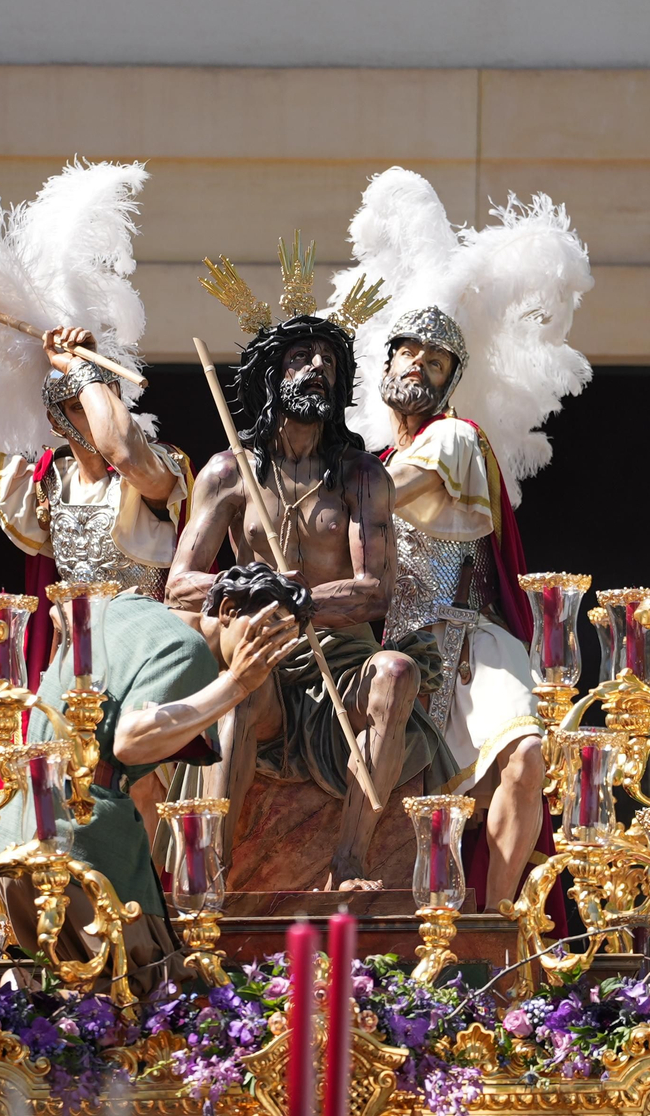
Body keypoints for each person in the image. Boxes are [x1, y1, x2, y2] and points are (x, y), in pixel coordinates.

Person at [168, 276, 452, 891]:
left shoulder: (359, 478)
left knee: (398, 672)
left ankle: (350, 859)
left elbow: (374, 590)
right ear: (272, 375)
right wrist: (238, 586)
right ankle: (215, 863)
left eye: (329, 360)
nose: (317, 367)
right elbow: (179, 585)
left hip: (342, 660)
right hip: (262, 655)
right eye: (301, 357)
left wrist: (302, 600)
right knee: (245, 682)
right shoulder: (227, 474)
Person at [0, 569, 303, 984]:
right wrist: (237, 683)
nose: (268, 651)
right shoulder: (191, 652)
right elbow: (130, 741)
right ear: (226, 610)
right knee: (145, 995)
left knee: (65, 1005)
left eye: (282, 642)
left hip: (17, 833)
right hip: (78, 843)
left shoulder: (127, 606)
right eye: (265, 631)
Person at [374, 305, 547, 913]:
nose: (419, 365)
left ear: (449, 381)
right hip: (393, 657)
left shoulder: (454, 437)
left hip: (472, 641)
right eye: (409, 353)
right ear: (388, 361)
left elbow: (386, 499)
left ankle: (494, 928)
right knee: (406, 821)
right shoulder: (365, 465)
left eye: (436, 361)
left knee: (525, 756)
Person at [0, 298, 192, 680]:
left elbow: (121, 450)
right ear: (56, 420)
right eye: (78, 406)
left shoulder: (155, 473)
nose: (92, 410)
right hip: (73, 673)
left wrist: (83, 369)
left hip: (149, 664)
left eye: (99, 397)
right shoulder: (47, 483)